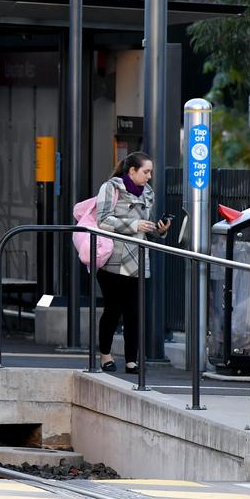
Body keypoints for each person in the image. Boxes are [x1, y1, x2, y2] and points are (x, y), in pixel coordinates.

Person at [95, 151, 170, 374]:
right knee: (113, 309)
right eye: (146, 172)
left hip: (138, 259)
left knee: (135, 311)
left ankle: (131, 360)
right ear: (132, 171)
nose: (149, 176)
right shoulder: (111, 187)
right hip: (113, 259)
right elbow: (103, 220)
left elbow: (146, 227)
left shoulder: (148, 192)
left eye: (150, 172)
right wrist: (135, 225)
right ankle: (105, 355)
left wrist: (159, 230)